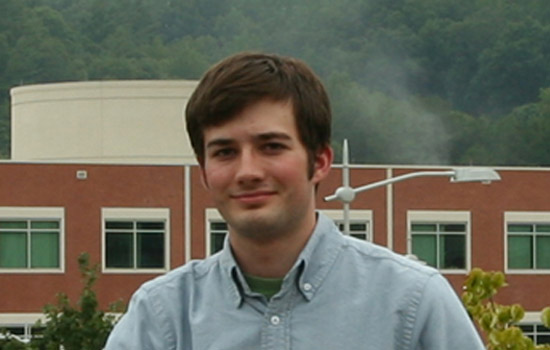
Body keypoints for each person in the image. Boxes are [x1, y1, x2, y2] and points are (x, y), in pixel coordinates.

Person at [105, 52, 484, 349]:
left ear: (319, 161)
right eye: (224, 152)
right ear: (204, 172)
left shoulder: (412, 303)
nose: (247, 171)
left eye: (271, 146)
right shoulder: (161, 316)